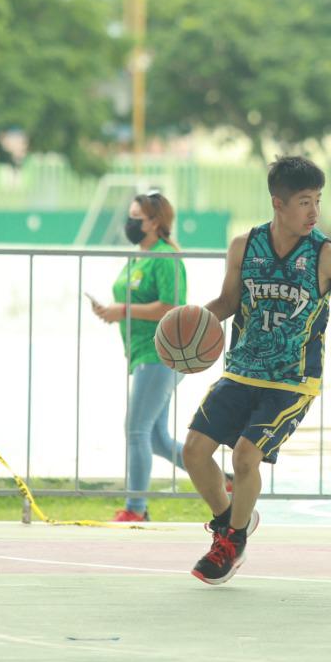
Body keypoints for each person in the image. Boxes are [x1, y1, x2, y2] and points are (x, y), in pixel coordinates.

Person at [184, 156, 331, 584]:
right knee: (193, 451)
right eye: (305, 202)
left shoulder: (327, 256)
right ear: (279, 204)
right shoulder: (243, 247)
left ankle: (232, 542)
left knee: (245, 456)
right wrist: (193, 323)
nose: (314, 211)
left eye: (318, 201)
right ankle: (230, 523)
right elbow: (228, 303)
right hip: (241, 372)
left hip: (291, 382)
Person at [90, 190, 188, 522]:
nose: (129, 223)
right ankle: (222, 480)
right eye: (129, 216)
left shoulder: (165, 258)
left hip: (160, 353)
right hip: (140, 354)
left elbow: (171, 305)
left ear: (155, 222)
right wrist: (113, 311)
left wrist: (124, 310)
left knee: (136, 430)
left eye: (136, 218)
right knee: (157, 439)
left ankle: (136, 509)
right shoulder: (139, 257)